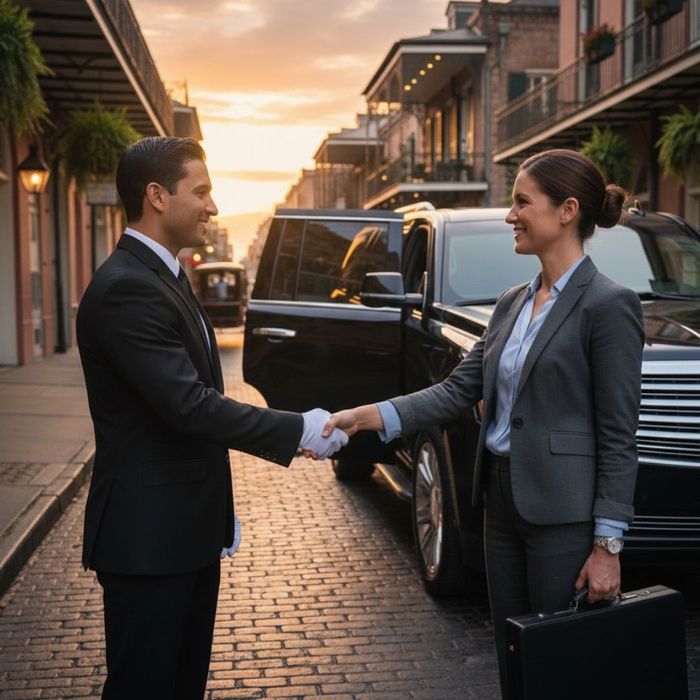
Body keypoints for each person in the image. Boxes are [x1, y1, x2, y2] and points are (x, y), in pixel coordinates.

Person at [321, 149, 644, 698]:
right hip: (499, 505)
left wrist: (607, 547)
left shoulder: (609, 305)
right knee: (513, 655)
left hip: (562, 516)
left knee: (561, 665)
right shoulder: (511, 304)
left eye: (522, 202)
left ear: (567, 210)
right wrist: (365, 418)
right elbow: (456, 391)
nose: (510, 215)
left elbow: (618, 436)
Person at [77, 136, 348, 700]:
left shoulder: (166, 276)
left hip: (183, 535)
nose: (212, 206)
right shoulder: (127, 286)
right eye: (200, 192)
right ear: (157, 196)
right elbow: (188, 406)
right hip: (147, 543)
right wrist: (296, 428)